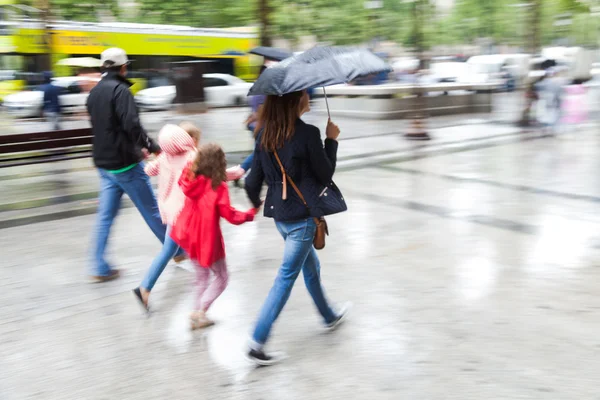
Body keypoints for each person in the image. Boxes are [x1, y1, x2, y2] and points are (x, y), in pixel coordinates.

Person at [244, 90, 349, 366]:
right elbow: (325, 174)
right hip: (303, 219)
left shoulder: (263, 133)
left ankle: (329, 315)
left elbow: (252, 180)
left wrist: (256, 203)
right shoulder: (308, 134)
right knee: (286, 277)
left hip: (281, 218)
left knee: (310, 268)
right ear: (294, 101)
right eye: (304, 94)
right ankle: (257, 341)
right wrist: (331, 140)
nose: (308, 96)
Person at [87, 47, 168, 282]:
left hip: (104, 165)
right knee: (152, 209)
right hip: (124, 165)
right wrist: (152, 146)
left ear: (104, 67)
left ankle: (99, 266)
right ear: (123, 68)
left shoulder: (94, 93)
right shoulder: (121, 91)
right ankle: (178, 250)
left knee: (105, 216)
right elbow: (131, 125)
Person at [171, 143, 257, 329]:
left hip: (187, 233)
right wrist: (250, 213)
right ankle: (200, 311)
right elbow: (230, 215)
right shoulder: (219, 187)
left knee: (201, 276)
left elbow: (184, 180)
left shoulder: (189, 176)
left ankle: (197, 315)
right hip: (206, 238)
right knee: (222, 277)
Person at [133, 123, 200, 311]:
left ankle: (145, 288)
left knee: (169, 249)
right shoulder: (192, 156)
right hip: (185, 211)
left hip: (169, 210)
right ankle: (201, 301)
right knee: (200, 247)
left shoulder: (164, 157)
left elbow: (148, 171)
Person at [227, 66, 268, 183]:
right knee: (258, 152)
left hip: (256, 125)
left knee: (261, 152)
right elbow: (261, 111)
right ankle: (240, 171)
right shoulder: (264, 90)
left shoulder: (256, 88)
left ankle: (259, 174)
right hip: (261, 126)